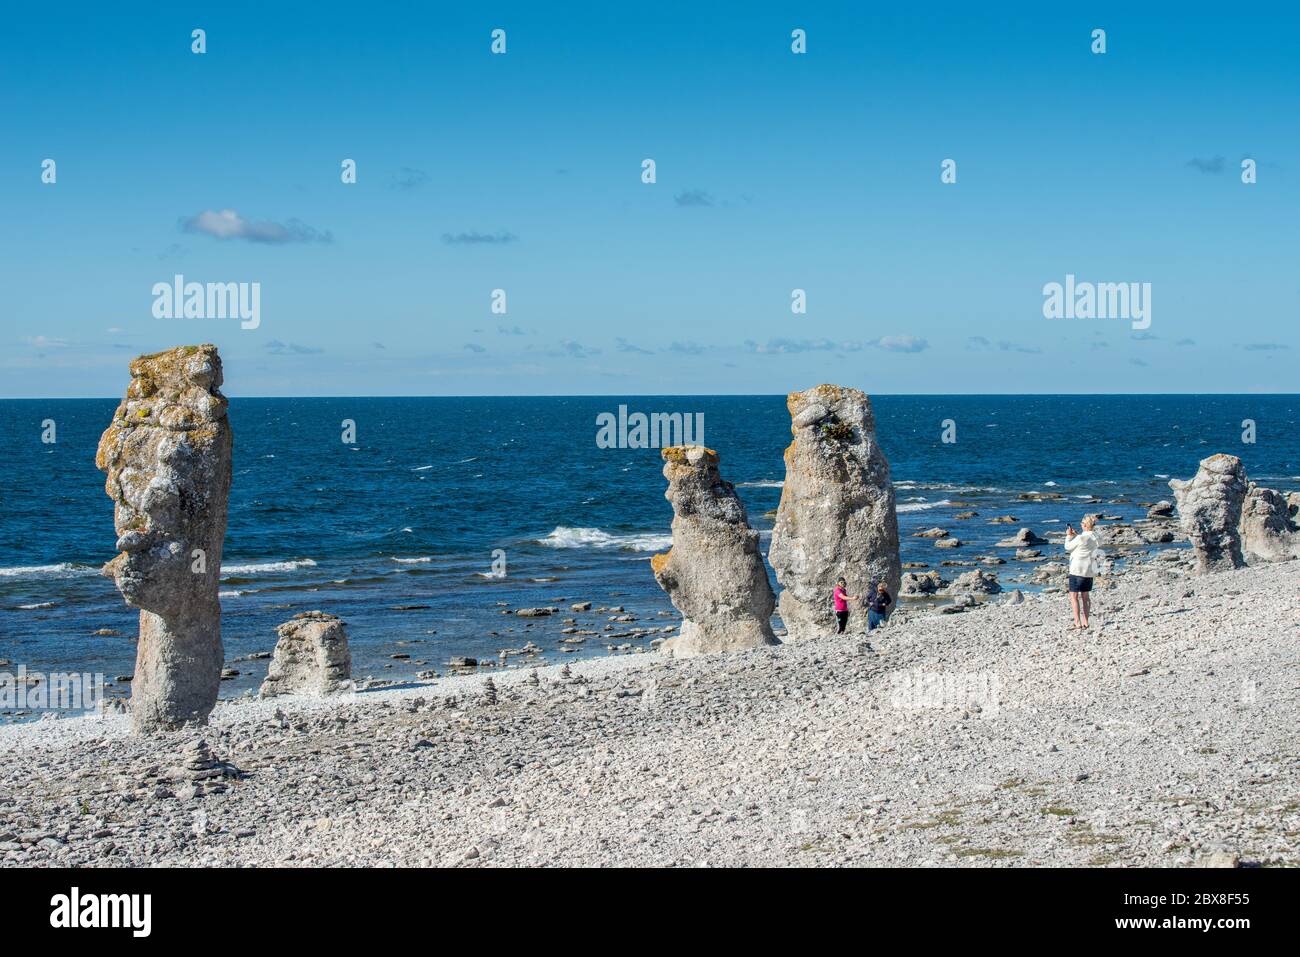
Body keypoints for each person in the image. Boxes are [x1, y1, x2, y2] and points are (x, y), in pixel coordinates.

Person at [1064, 515, 1103, 629]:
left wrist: (1068, 536)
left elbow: (1068, 547)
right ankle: (1086, 621)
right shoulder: (1096, 537)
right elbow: (1087, 541)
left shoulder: (1080, 538)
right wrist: (1076, 535)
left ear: (1085, 525)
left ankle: (1077, 622)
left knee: (1074, 596)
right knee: (1085, 596)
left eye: (1082, 523)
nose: (1080, 524)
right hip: (1089, 570)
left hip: (1077, 570)